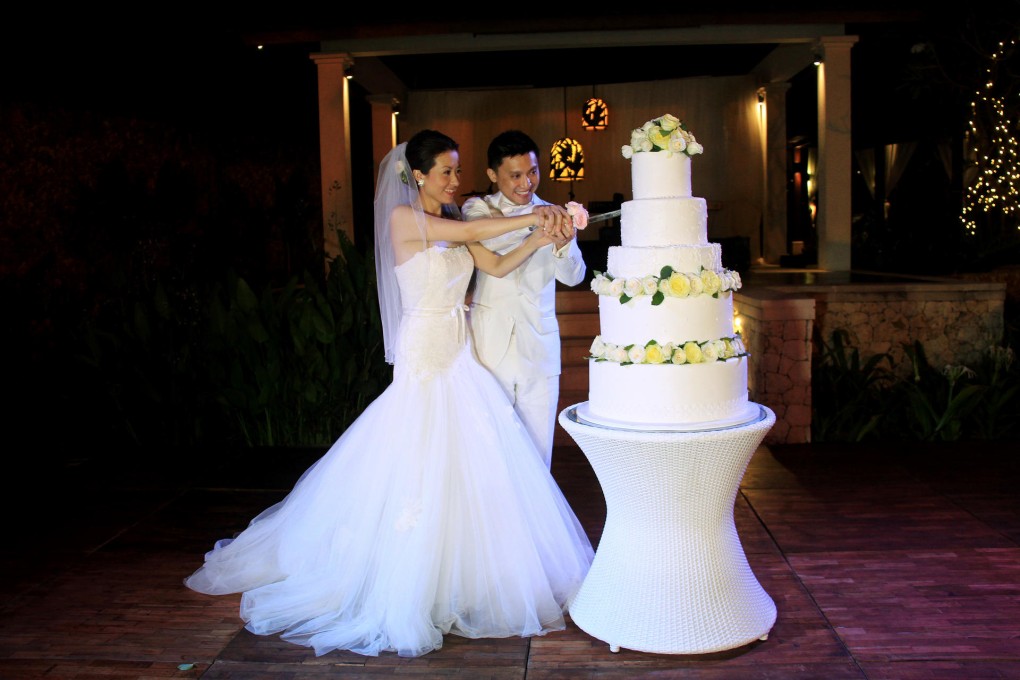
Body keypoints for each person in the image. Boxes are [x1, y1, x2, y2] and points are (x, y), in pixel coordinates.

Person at [184, 129, 594, 659]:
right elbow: (487, 228)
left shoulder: (456, 222)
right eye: (445, 171)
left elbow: (492, 263)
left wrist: (540, 238)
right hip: (427, 355)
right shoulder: (407, 220)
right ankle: (408, 573)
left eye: (456, 170)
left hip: (460, 352)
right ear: (417, 175)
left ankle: (473, 572)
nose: (454, 180)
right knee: (419, 460)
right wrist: (534, 217)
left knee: (478, 464)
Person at [462, 130, 586, 468]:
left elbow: (574, 277)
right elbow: (491, 245)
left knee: (538, 451)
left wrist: (562, 244)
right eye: (515, 175)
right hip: (489, 346)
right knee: (491, 449)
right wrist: (536, 228)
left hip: (539, 347)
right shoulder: (477, 209)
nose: (525, 183)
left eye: (532, 172)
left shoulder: (551, 211)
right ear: (493, 175)